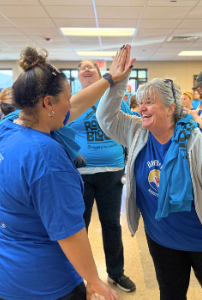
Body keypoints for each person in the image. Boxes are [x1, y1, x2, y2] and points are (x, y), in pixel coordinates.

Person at [92, 44, 202, 299]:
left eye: (149, 103)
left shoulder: (200, 147)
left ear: (170, 109)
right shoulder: (137, 131)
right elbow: (106, 117)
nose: (141, 108)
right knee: (170, 293)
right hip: (161, 240)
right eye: (141, 102)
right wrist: (118, 81)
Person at [0, 46, 125, 300]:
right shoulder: (47, 157)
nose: (71, 102)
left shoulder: (9, 125)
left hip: (8, 273)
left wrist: (109, 79)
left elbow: (74, 105)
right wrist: (94, 280)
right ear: (48, 103)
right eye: (66, 97)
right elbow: (70, 233)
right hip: (46, 283)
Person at [71, 58, 137, 292]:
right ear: (79, 76)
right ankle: (77, 276)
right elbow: (59, 131)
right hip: (80, 174)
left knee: (111, 224)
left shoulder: (115, 99)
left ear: (100, 74)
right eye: (82, 67)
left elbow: (131, 127)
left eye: (91, 66)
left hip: (112, 172)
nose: (86, 69)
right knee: (79, 226)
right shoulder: (71, 102)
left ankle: (115, 273)